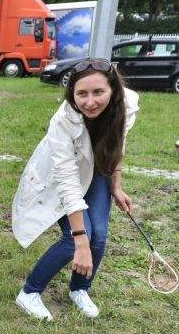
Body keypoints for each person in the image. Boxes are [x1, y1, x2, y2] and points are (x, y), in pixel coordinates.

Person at [12, 59, 138, 320]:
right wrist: (80, 241)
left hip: (97, 172)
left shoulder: (127, 106)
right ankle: (29, 292)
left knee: (99, 237)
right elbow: (68, 180)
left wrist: (116, 185)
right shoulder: (62, 121)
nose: (90, 101)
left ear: (113, 90)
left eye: (98, 92)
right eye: (82, 94)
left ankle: (79, 289)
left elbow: (117, 146)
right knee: (75, 241)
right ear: (72, 95)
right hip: (59, 178)